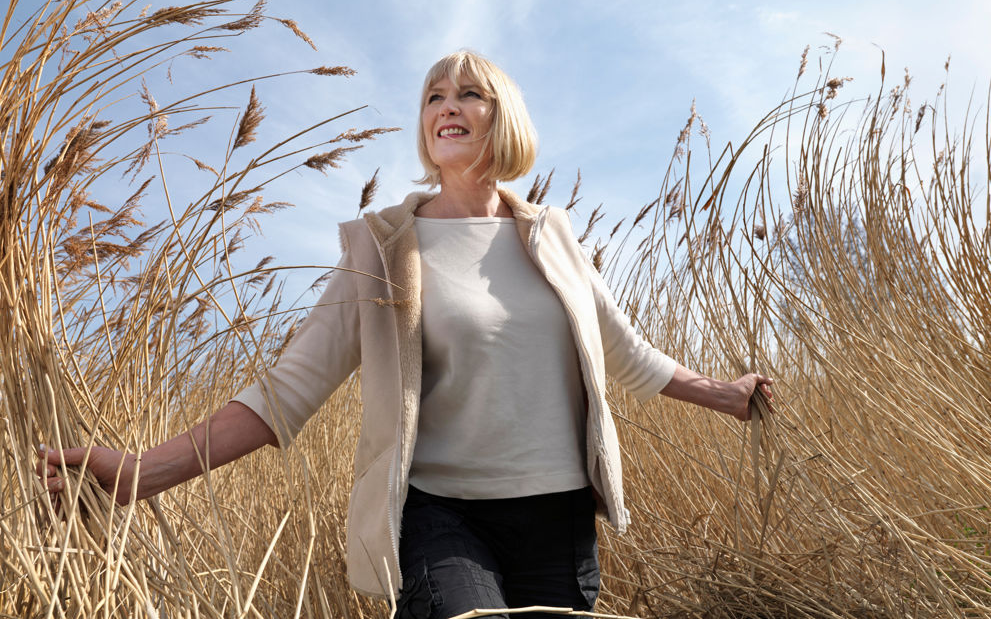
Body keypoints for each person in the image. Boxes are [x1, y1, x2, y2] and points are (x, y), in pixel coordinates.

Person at [38, 50, 773, 619]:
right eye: (432, 96)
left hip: (556, 514)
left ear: (503, 115)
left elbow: (624, 351)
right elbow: (288, 388)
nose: (445, 107)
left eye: (467, 93)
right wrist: (143, 470)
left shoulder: (551, 234)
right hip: (438, 513)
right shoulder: (383, 247)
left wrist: (727, 395)